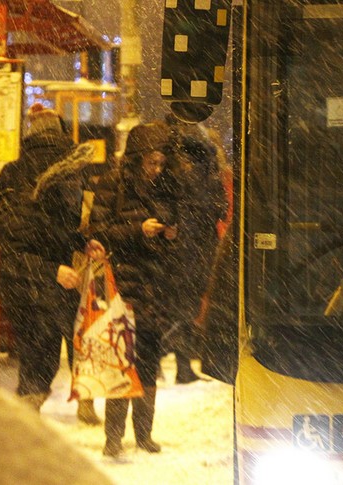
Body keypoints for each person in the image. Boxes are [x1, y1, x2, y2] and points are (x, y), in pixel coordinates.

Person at [0, 103, 106, 414]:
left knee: (34, 347)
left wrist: (22, 240)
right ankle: (85, 395)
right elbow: (73, 221)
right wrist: (83, 242)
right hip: (63, 274)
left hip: (24, 277)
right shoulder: (74, 168)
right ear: (60, 131)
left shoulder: (14, 169)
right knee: (76, 334)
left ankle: (30, 407)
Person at [90, 121, 181, 457]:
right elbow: (99, 230)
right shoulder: (115, 183)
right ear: (137, 158)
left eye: (160, 163)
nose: (156, 170)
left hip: (154, 285)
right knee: (121, 362)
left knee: (148, 363)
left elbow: (174, 226)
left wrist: (171, 234)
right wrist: (137, 230)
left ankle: (144, 433)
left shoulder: (165, 187)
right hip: (122, 285)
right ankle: (113, 438)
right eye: (150, 163)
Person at [164, 118, 228, 384]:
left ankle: (176, 361)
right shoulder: (208, 171)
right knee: (189, 305)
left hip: (180, 245)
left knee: (178, 304)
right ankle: (182, 363)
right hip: (200, 244)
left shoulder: (172, 168)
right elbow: (220, 207)